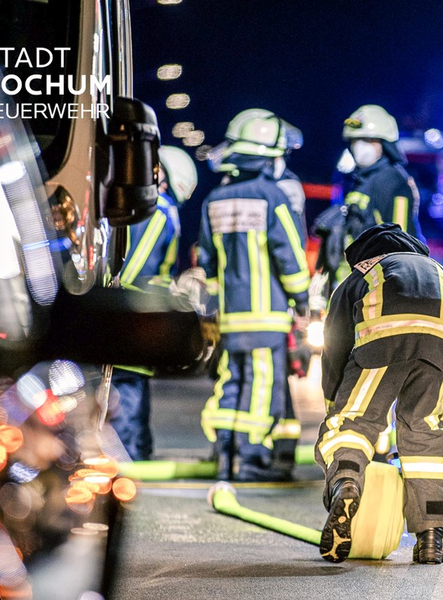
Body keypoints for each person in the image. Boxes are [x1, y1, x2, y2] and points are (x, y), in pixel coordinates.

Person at [315, 223, 443, 564]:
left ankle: (346, 484)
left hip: (382, 338)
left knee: (353, 424)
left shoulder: (361, 275)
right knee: (426, 434)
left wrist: (335, 404)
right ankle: (430, 538)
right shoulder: (438, 271)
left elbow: (335, 348)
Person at [198, 108, 310, 482]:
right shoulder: (272, 196)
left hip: (231, 317)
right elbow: (289, 254)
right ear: (266, 157)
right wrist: (302, 298)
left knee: (230, 384)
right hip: (267, 316)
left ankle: (225, 454)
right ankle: (251, 459)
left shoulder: (214, 199)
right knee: (262, 389)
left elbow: (208, 261)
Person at [110, 145, 197, 460]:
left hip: (128, 310)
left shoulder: (143, 207)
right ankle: (130, 457)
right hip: (135, 311)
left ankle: (131, 456)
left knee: (127, 386)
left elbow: (132, 266)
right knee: (130, 386)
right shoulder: (160, 210)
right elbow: (141, 266)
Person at [313, 104, 424, 285]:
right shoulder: (356, 180)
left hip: (375, 287)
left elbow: (402, 244)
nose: (360, 146)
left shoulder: (393, 181)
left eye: (368, 139)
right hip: (349, 285)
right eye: (355, 140)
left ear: (384, 144)